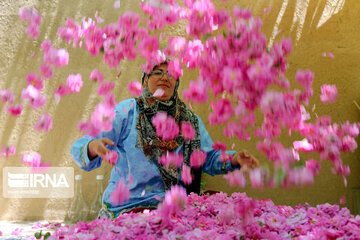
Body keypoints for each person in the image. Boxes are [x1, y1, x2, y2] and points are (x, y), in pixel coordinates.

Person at [71, 61, 259, 219]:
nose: (164, 77)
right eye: (157, 72)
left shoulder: (189, 120)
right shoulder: (127, 111)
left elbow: (207, 158)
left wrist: (234, 160)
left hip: (171, 211)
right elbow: (85, 143)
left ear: (176, 83)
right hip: (126, 208)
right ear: (145, 81)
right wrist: (92, 147)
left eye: (170, 74)